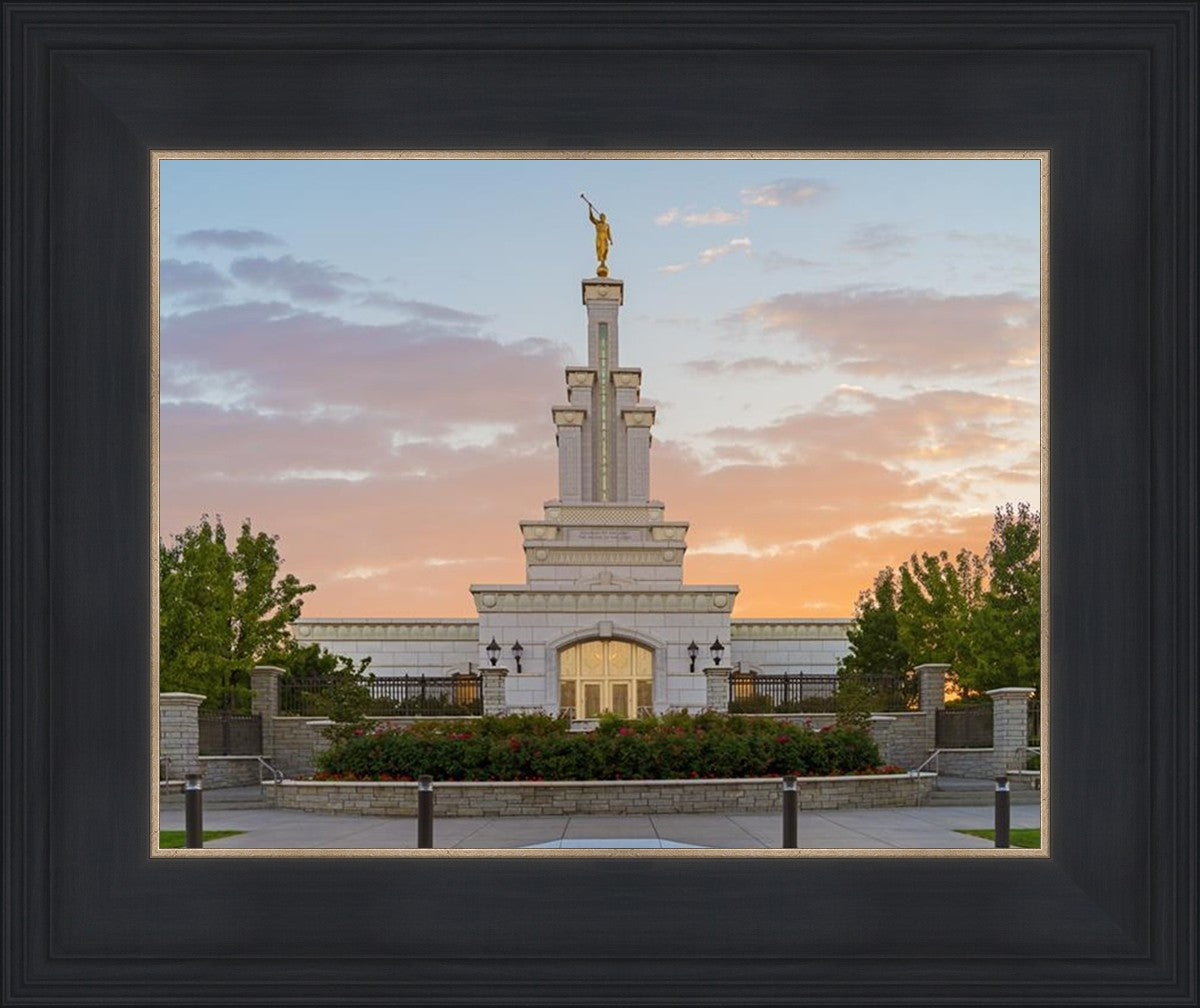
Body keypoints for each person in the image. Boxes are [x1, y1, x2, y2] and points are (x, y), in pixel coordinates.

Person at [587, 205, 613, 275]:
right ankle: (602, 262)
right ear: (600, 218)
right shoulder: (598, 223)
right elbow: (591, 218)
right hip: (599, 238)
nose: (603, 218)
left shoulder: (607, 225)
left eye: (604, 217)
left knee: (606, 250)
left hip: (604, 238)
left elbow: (608, 233)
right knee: (600, 250)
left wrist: (610, 240)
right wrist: (590, 209)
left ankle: (603, 262)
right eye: (602, 217)